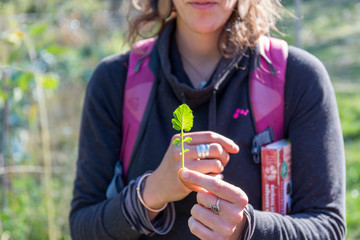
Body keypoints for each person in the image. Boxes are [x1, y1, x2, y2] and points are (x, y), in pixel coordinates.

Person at [69, 0, 346, 239]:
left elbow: (328, 227)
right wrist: (149, 194)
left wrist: (247, 230)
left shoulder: (298, 78)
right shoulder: (114, 81)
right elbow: (82, 227)